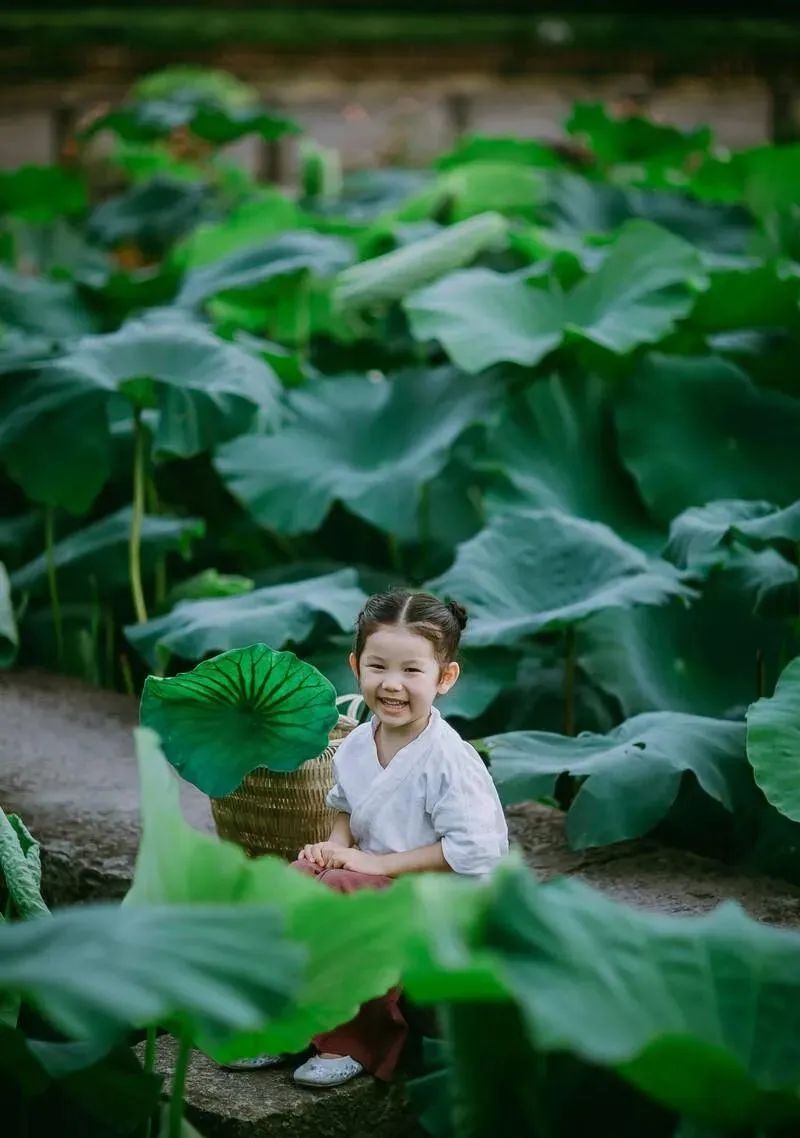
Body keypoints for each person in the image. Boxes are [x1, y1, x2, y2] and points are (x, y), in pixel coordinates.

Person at [226, 589, 509, 1087]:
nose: (392, 685)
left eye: (411, 671)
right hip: (371, 879)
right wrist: (334, 848)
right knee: (293, 882)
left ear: (445, 678)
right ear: (356, 666)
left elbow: (474, 850)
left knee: (343, 896)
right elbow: (347, 810)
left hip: (437, 898)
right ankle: (288, 1026)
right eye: (378, 667)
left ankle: (358, 1039)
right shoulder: (357, 742)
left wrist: (375, 866)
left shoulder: (449, 759)